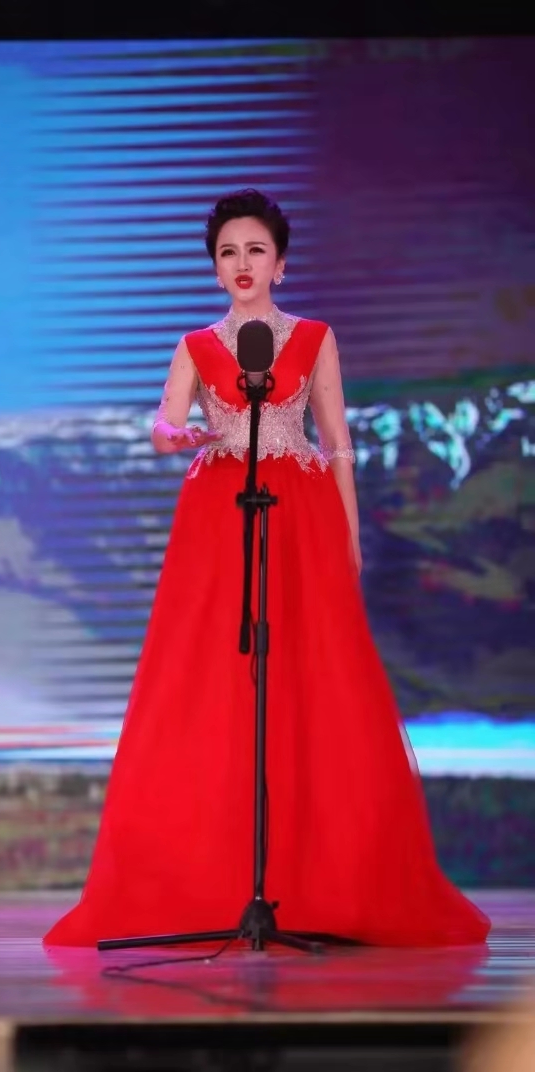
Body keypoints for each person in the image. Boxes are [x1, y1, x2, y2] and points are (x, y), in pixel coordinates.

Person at [43, 189, 490, 948]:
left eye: (255, 250)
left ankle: (320, 877)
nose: (242, 263)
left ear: (280, 263)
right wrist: (175, 435)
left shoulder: (314, 337)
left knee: (310, 677)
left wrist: (349, 531)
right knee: (215, 675)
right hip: (221, 514)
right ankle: (210, 875)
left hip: (300, 515)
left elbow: (336, 440)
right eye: (228, 252)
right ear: (215, 269)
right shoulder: (197, 345)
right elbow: (164, 420)